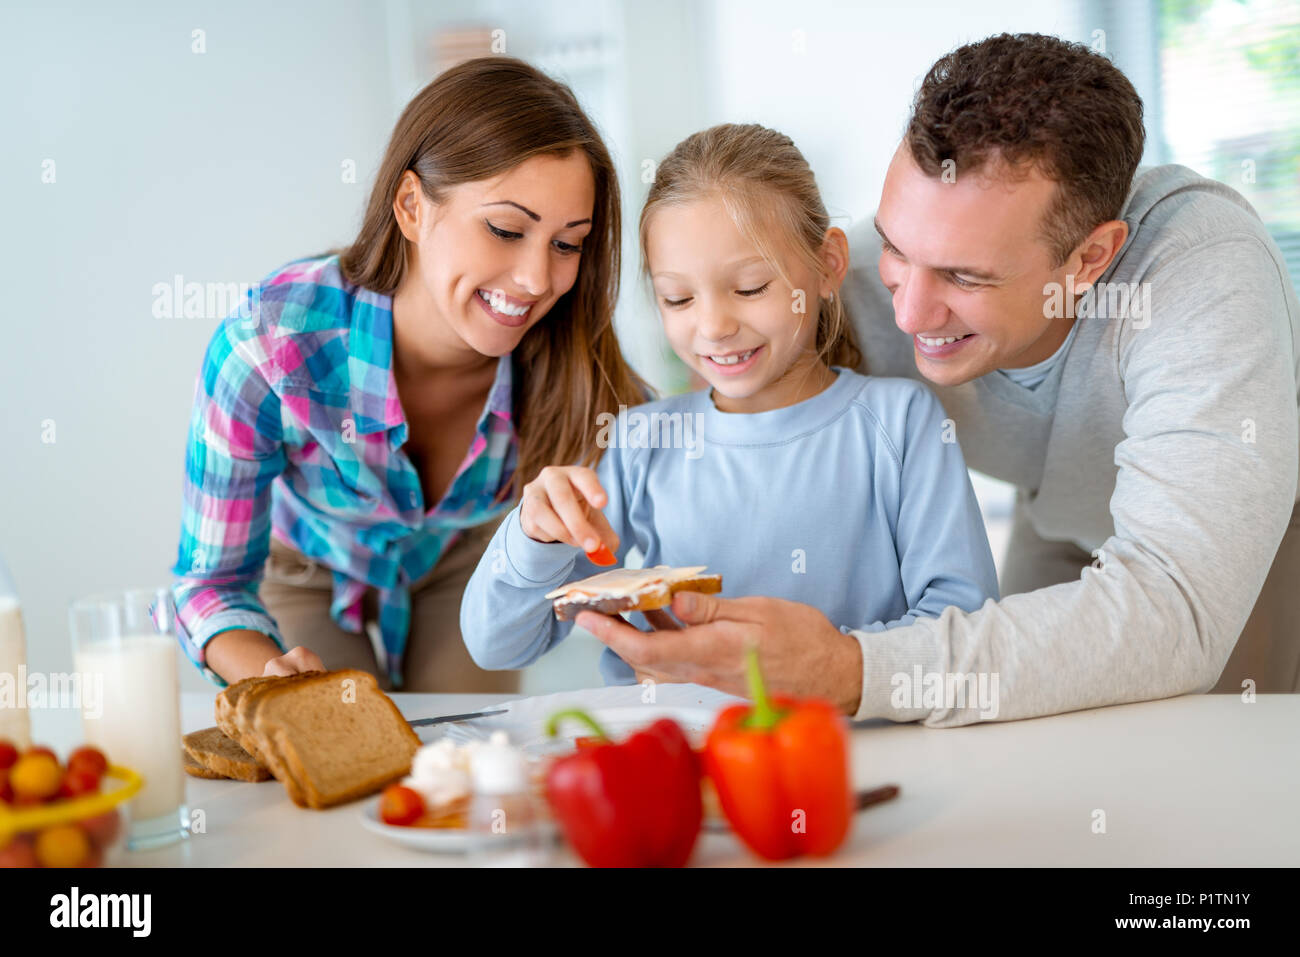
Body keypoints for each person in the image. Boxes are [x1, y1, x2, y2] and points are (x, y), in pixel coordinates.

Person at [577, 33, 1300, 725]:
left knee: (1224, 767)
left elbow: (1174, 612)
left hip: (1240, 532)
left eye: (964, 275)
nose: (909, 309)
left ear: (1089, 260)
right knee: (1023, 733)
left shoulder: (1202, 276)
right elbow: (706, 407)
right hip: (1058, 510)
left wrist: (852, 669)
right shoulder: (840, 281)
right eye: (896, 246)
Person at [168, 57, 646, 691]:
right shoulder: (269, 343)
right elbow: (208, 584)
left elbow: (682, 480)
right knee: (347, 750)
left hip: (462, 560)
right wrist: (269, 674)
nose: (537, 280)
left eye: (567, 243)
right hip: (310, 565)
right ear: (412, 206)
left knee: (461, 758)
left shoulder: (578, 370)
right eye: (506, 229)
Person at [459, 123, 999, 681]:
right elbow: (498, 647)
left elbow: (964, 628)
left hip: (842, 750)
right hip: (672, 749)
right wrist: (533, 536)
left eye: (749, 288)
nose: (713, 326)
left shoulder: (901, 422)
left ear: (828, 265)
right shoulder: (641, 441)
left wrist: (811, 667)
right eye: (678, 298)